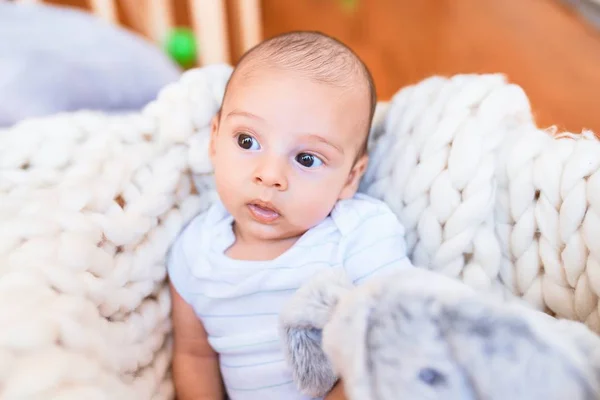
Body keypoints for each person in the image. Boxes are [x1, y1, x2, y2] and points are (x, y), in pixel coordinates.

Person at [167, 30, 413, 400]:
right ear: (214, 139)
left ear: (350, 178)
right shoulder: (195, 251)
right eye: (247, 141)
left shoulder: (358, 234)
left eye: (306, 159)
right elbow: (194, 354)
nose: (270, 175)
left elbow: (397, 333)